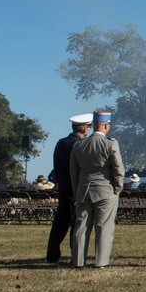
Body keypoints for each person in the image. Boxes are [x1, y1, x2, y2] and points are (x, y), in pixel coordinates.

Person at [69, 110, 125, 269]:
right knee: (104, 227)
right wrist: (117, 189)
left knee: (81, 228)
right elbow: (118, 170)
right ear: (106, 125)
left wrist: (77, 190)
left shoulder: (78, 145)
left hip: (83, 189)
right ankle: (101, 262)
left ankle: (78, 262)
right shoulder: (110, 143)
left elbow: (73, 172)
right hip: (105, 190)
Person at [46, 113, 91, 264]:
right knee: (76, 223)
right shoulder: (80, 144)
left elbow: (56, 167)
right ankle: (75, 255)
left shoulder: (61, 143)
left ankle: (53, 254)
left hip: (64, 187)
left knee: (60, 222)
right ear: (84, 128)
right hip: (76, 187)